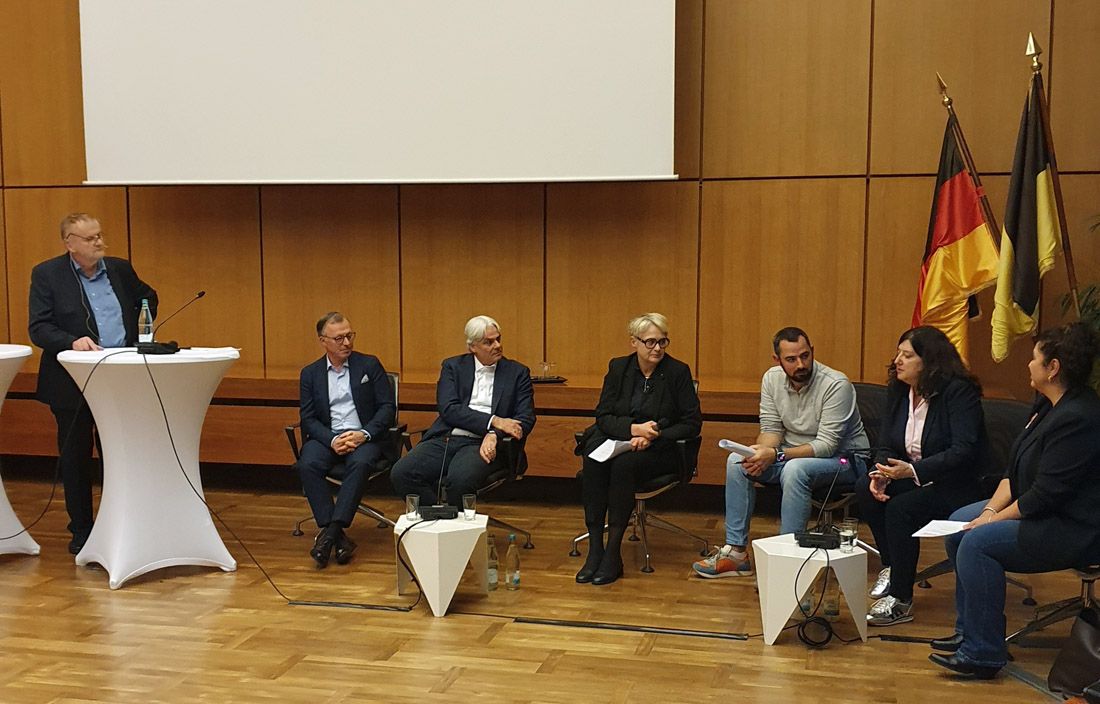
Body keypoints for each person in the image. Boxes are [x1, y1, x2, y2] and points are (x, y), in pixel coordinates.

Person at [929, 322, 1100, 680]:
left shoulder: (1080, 417)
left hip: (1072, 526)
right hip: (1038, 509)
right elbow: (1013, 470)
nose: (1028, 364)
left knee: (977, 543)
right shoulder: (1047, 405)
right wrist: (989, 510)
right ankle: (970, 631)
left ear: (1053, 368)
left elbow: (1046, 495)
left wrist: (991, 522)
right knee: (961, 523)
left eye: (1035, 358)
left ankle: (983, 654)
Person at [28, 212, 158, 554]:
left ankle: (124, 524)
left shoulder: (119, 269)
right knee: (76, 458)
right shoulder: (47, 274)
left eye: (99, 235)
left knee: (121, 454)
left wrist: (141, 332)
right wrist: (71, 341)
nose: (99, 242)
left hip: (120, 378)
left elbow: (148, 297)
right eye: (90, 238)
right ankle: (82, 531)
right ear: (70, 244)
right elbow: (38, 328)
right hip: (72, 382)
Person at [693, 326, 868, 578]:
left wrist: (775, 455)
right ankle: (736, 554)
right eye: (791, 359)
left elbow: (827, 445)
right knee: (736, 461)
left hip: (844, 460)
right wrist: (761, 452)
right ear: (777, 360)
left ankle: (788, 563)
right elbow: (771, 429)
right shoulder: (772, 379)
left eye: (805, 356)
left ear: (812, 351)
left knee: (795, 470)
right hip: (790, 455)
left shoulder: (836, 384)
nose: (801, 364)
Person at [855, 326, 987, 626]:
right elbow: (886, 441)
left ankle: (901, 599)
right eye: (898, 354)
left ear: (929, 361)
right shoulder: (899, 389)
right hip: (912, 476)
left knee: (902, 509)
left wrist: (913, 470)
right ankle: (892, 565)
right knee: (866, 487)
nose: (897, 361)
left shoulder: (958, 392)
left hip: (956, 483)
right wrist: (881, 471)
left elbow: (964, 450)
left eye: (907, 355)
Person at [575, 313, 701, 586]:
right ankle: (595, 549)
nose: (657, 348)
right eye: (650, 342)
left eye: (662, 342)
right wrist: (633, 430)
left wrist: (654, 435)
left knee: (624, 466)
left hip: (661, 450)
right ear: (634, 342)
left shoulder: (678, 372)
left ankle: (613, 553)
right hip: (619, 440)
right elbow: (603, 416)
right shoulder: (619, 368)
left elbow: (691, 423)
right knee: (593, 460)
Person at [390, 315, 535, 507]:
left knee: (460, 480)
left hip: (483, 444)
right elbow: (449, 409)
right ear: (472, 347)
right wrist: (493, 421)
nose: (498, 345)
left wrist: (494, 433)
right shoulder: (453, 367)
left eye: (498, 339)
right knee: (402, 473)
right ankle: (439, 519)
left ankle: (452, 523)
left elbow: (526, 418)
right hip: (447, 437)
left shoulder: (517, 372)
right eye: (489, 342)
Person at [295, 312, 395, 568]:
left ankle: (330, 534)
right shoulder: (310, 374)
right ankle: (337, 537)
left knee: (360, 463)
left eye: (349, 336)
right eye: (339, 338)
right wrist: (332, 440)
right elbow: (308, 418)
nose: (347, 343)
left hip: (365, 437)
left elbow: (387, 408)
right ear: (323, 341)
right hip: (328, 438)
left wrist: (364, 434)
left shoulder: (369, 365)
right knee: (307, 463)